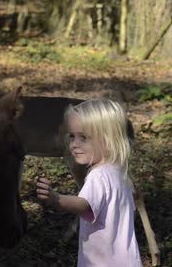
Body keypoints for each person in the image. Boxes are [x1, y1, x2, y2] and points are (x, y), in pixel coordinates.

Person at [36, 99, 142, 267]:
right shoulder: (119, 173)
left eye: (83, 137)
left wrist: (56, 199)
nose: (74, 144)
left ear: (108, 140)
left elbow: (84, 205)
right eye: (72, 136)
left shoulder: (98, 176)